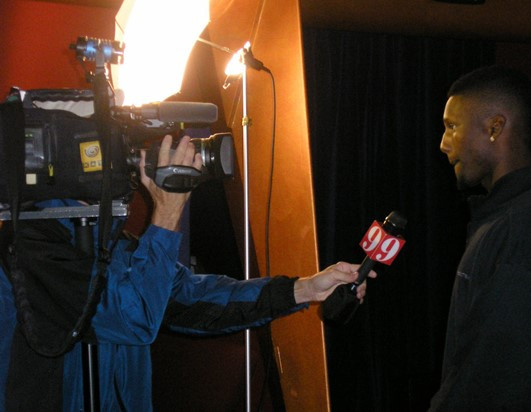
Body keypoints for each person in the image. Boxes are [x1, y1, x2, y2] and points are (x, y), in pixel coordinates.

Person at [0, 134, 375, 411]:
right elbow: (133, 317)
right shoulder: (31, 243)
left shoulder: (113, 244)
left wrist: (304, 289)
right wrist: (166, 213)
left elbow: (193, 299)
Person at [429, 65, 531, 410]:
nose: (443, 143)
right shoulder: (503, 219)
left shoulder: (525, 228)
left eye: (452, 127)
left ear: (495, 128)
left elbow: (491, 380)